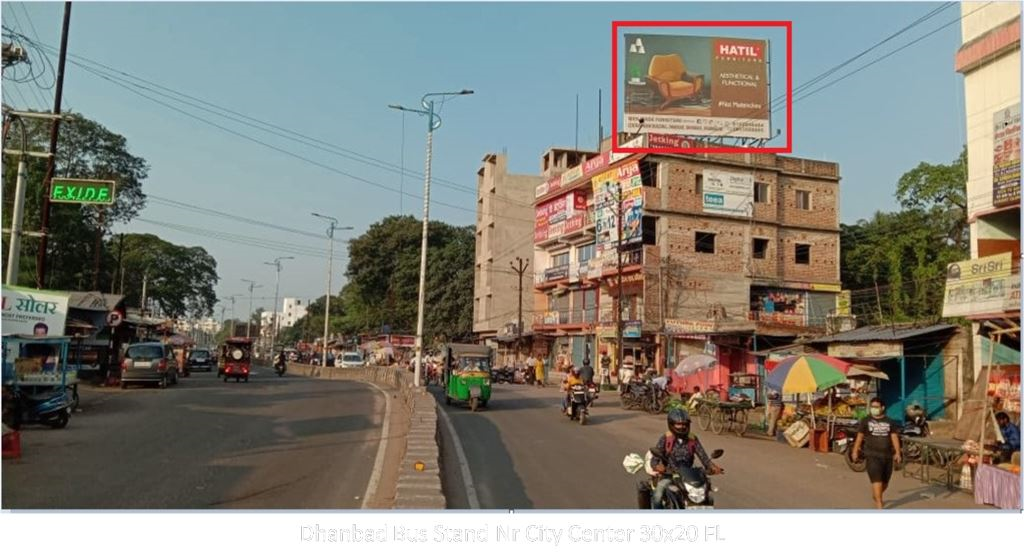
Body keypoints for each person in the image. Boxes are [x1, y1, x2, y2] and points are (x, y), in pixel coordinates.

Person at [645, 409, 723, 509]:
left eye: (684, 424)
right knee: (658, 495)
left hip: (688, 475)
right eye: (678, 424)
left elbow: (704, 457)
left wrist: (712, 466)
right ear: (671, 424)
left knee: (706, 494)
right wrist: (657, 466)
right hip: (670, 475)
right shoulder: (666, 438)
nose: (682, 427)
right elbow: (654, 459)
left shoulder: (693, 439)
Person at [852, 397, 902, 509]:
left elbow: (894, 437)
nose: (873, 409)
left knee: (885, 483)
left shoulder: (890, 422)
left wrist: (897, 452)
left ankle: (877, 494)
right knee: (876, 480)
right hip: (872, 455)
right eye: (872, 407)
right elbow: (860, 437)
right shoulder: (865, 421)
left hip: (887, 456)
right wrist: (855, 450)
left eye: (876, 407)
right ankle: (879, 503)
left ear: (882, 408)